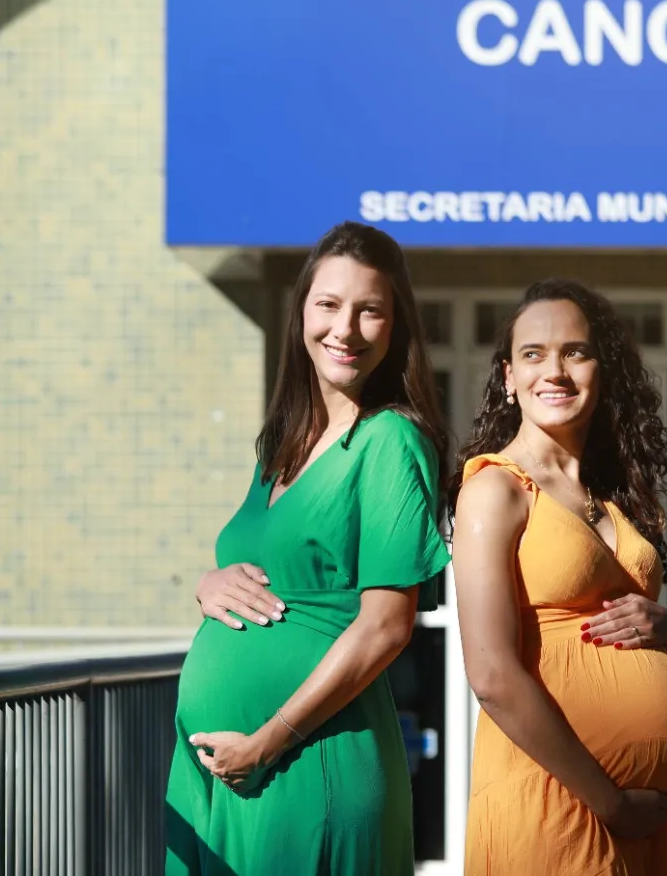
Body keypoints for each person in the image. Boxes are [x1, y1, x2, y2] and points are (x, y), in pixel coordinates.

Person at [165, 222, 451, 875]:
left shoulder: (389, 443)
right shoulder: (282, 445)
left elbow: (386, 626)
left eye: (369, 310)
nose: (345, 329)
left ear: (395, 325)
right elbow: (272, 565)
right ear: (300, 313)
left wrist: (267, 743)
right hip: (230, 769)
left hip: (305, 765)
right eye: (328, 305)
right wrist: (208, 584)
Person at [450, 279, 667, 875]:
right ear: (508, 379)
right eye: (533, 354)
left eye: (575, 351)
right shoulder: (495, 490)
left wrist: (664, 629)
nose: (556, 371)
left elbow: (632, 639)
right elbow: (491, 674)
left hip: (653, 820)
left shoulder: (615, 495)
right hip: (558, 806)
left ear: (604, 368)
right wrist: (612, 804)